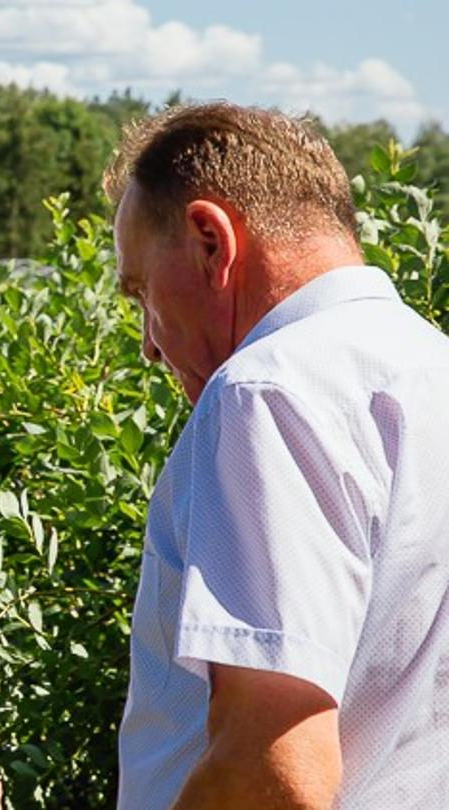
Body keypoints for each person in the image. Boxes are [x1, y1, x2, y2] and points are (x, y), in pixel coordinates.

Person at [109, 102, 449, 808]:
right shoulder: (428, 365)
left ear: (210, 241)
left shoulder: (266, 390)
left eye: (141, 290)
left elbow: (275, 771)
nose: (147, 342)